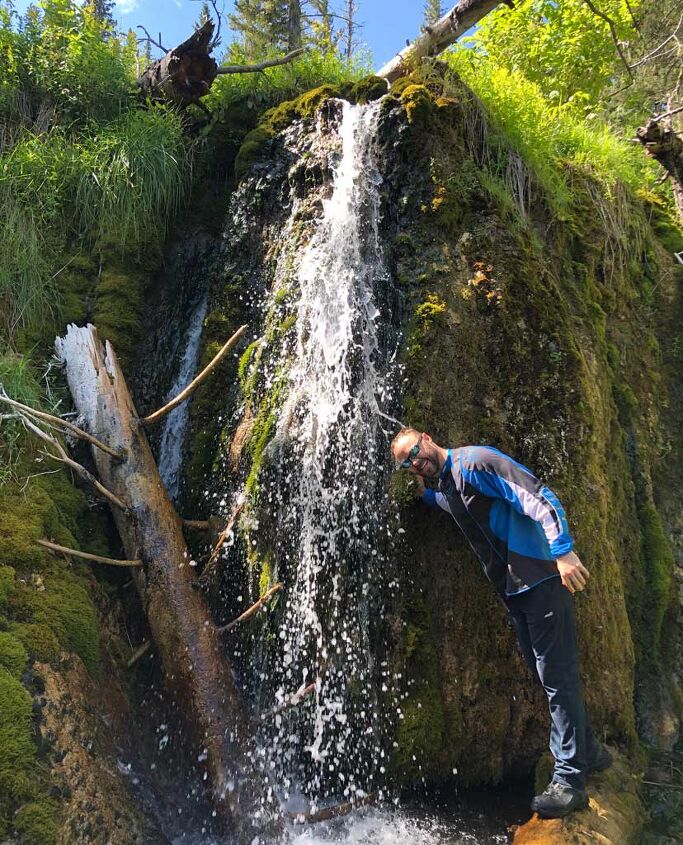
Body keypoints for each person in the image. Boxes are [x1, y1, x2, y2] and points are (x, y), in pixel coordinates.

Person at [390, 428, 613, 819]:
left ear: (427, 438)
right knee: (546, 675)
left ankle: (569, 779)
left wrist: (563, 552)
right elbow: (452, 503)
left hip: (542, 578)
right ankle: (588, 750)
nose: (416, 462)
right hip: (517, 591)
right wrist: (424, 498)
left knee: (557, 677)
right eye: (407, 464)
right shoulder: (450, 483)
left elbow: (537, 495)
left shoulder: (475, 461)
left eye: (415, 452)